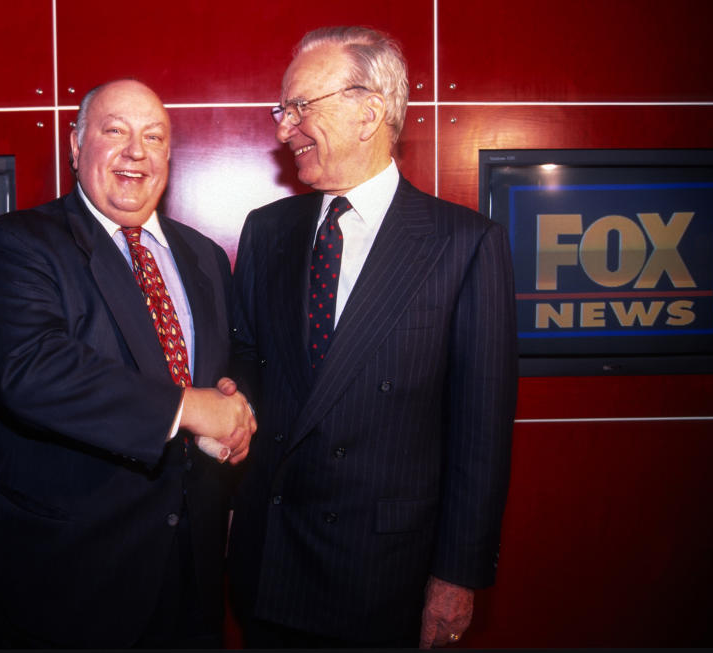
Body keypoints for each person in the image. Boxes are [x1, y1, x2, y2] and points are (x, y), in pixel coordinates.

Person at [228, 26, 517, 648]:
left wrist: (457, 577)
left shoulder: (464, 245)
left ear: (370, 112)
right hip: (270, 559)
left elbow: (481, 433)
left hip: (386, 576)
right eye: (283, 110)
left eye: (302, 107)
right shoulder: (266, 230)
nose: (284, 129)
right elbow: (250, 358)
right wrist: (232, 401)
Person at [0, 79, 256, 649]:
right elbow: (30, 368)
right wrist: (190, 408)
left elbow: (226, 363)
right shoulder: (16, 244)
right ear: (75, 145)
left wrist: (230, 403)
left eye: (154, 136)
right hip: (71, 582)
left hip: (191, 577)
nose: (136, 151)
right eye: (114, 131)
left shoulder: (203, 256)